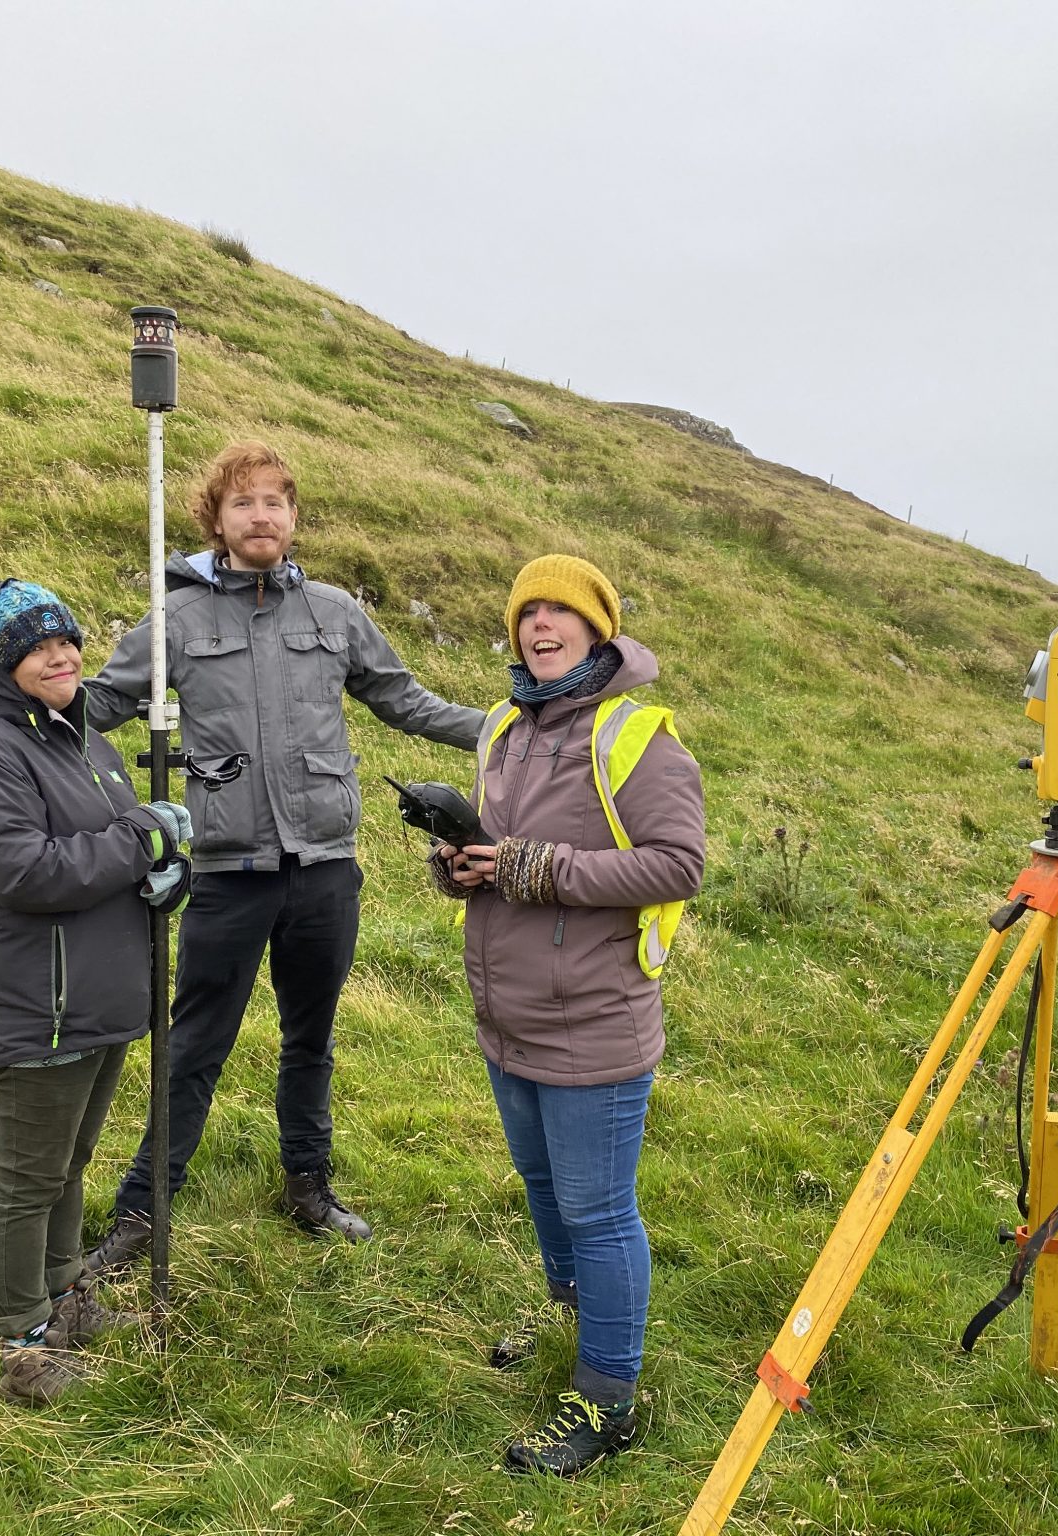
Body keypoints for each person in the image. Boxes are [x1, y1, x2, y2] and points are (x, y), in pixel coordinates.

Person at [84, 440, 483, 1253]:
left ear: (295, 518)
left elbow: (401, 699)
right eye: (243, 503)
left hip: (325, 870)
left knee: (312, 1039)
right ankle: (140, 1214)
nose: (260, 515)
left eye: (275, 502)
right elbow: (98, 701)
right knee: (194, 1045)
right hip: (227, 873)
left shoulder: (334, 613)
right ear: (216, 521)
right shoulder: (178, 620)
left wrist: (506, 730)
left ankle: (308, 1186)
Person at [429, 554, 704, 1476]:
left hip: (593, 1018)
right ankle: (570, 1327)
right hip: (507, 1014)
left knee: (598, 1211)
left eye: (562, 613)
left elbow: (678, 864)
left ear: (598, 628)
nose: (541, 626)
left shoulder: (638, 736)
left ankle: (608, 1401)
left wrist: (532, 867)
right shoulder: (506, 726)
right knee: (546, 1194)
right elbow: (500, 851)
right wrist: (466, 862)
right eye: (527, 613)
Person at [0, 579, 189, 1403]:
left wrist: (162, 879)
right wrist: (142, 840)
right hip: (43, 1005)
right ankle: (23, 1342)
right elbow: (24, 871)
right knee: (29, 1179)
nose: (62, 655)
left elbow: (112, 854)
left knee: (71, 1164)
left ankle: (66, 1294)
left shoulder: (80, 740)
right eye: (36, 648)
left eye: (67, 639)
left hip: (101, 996)